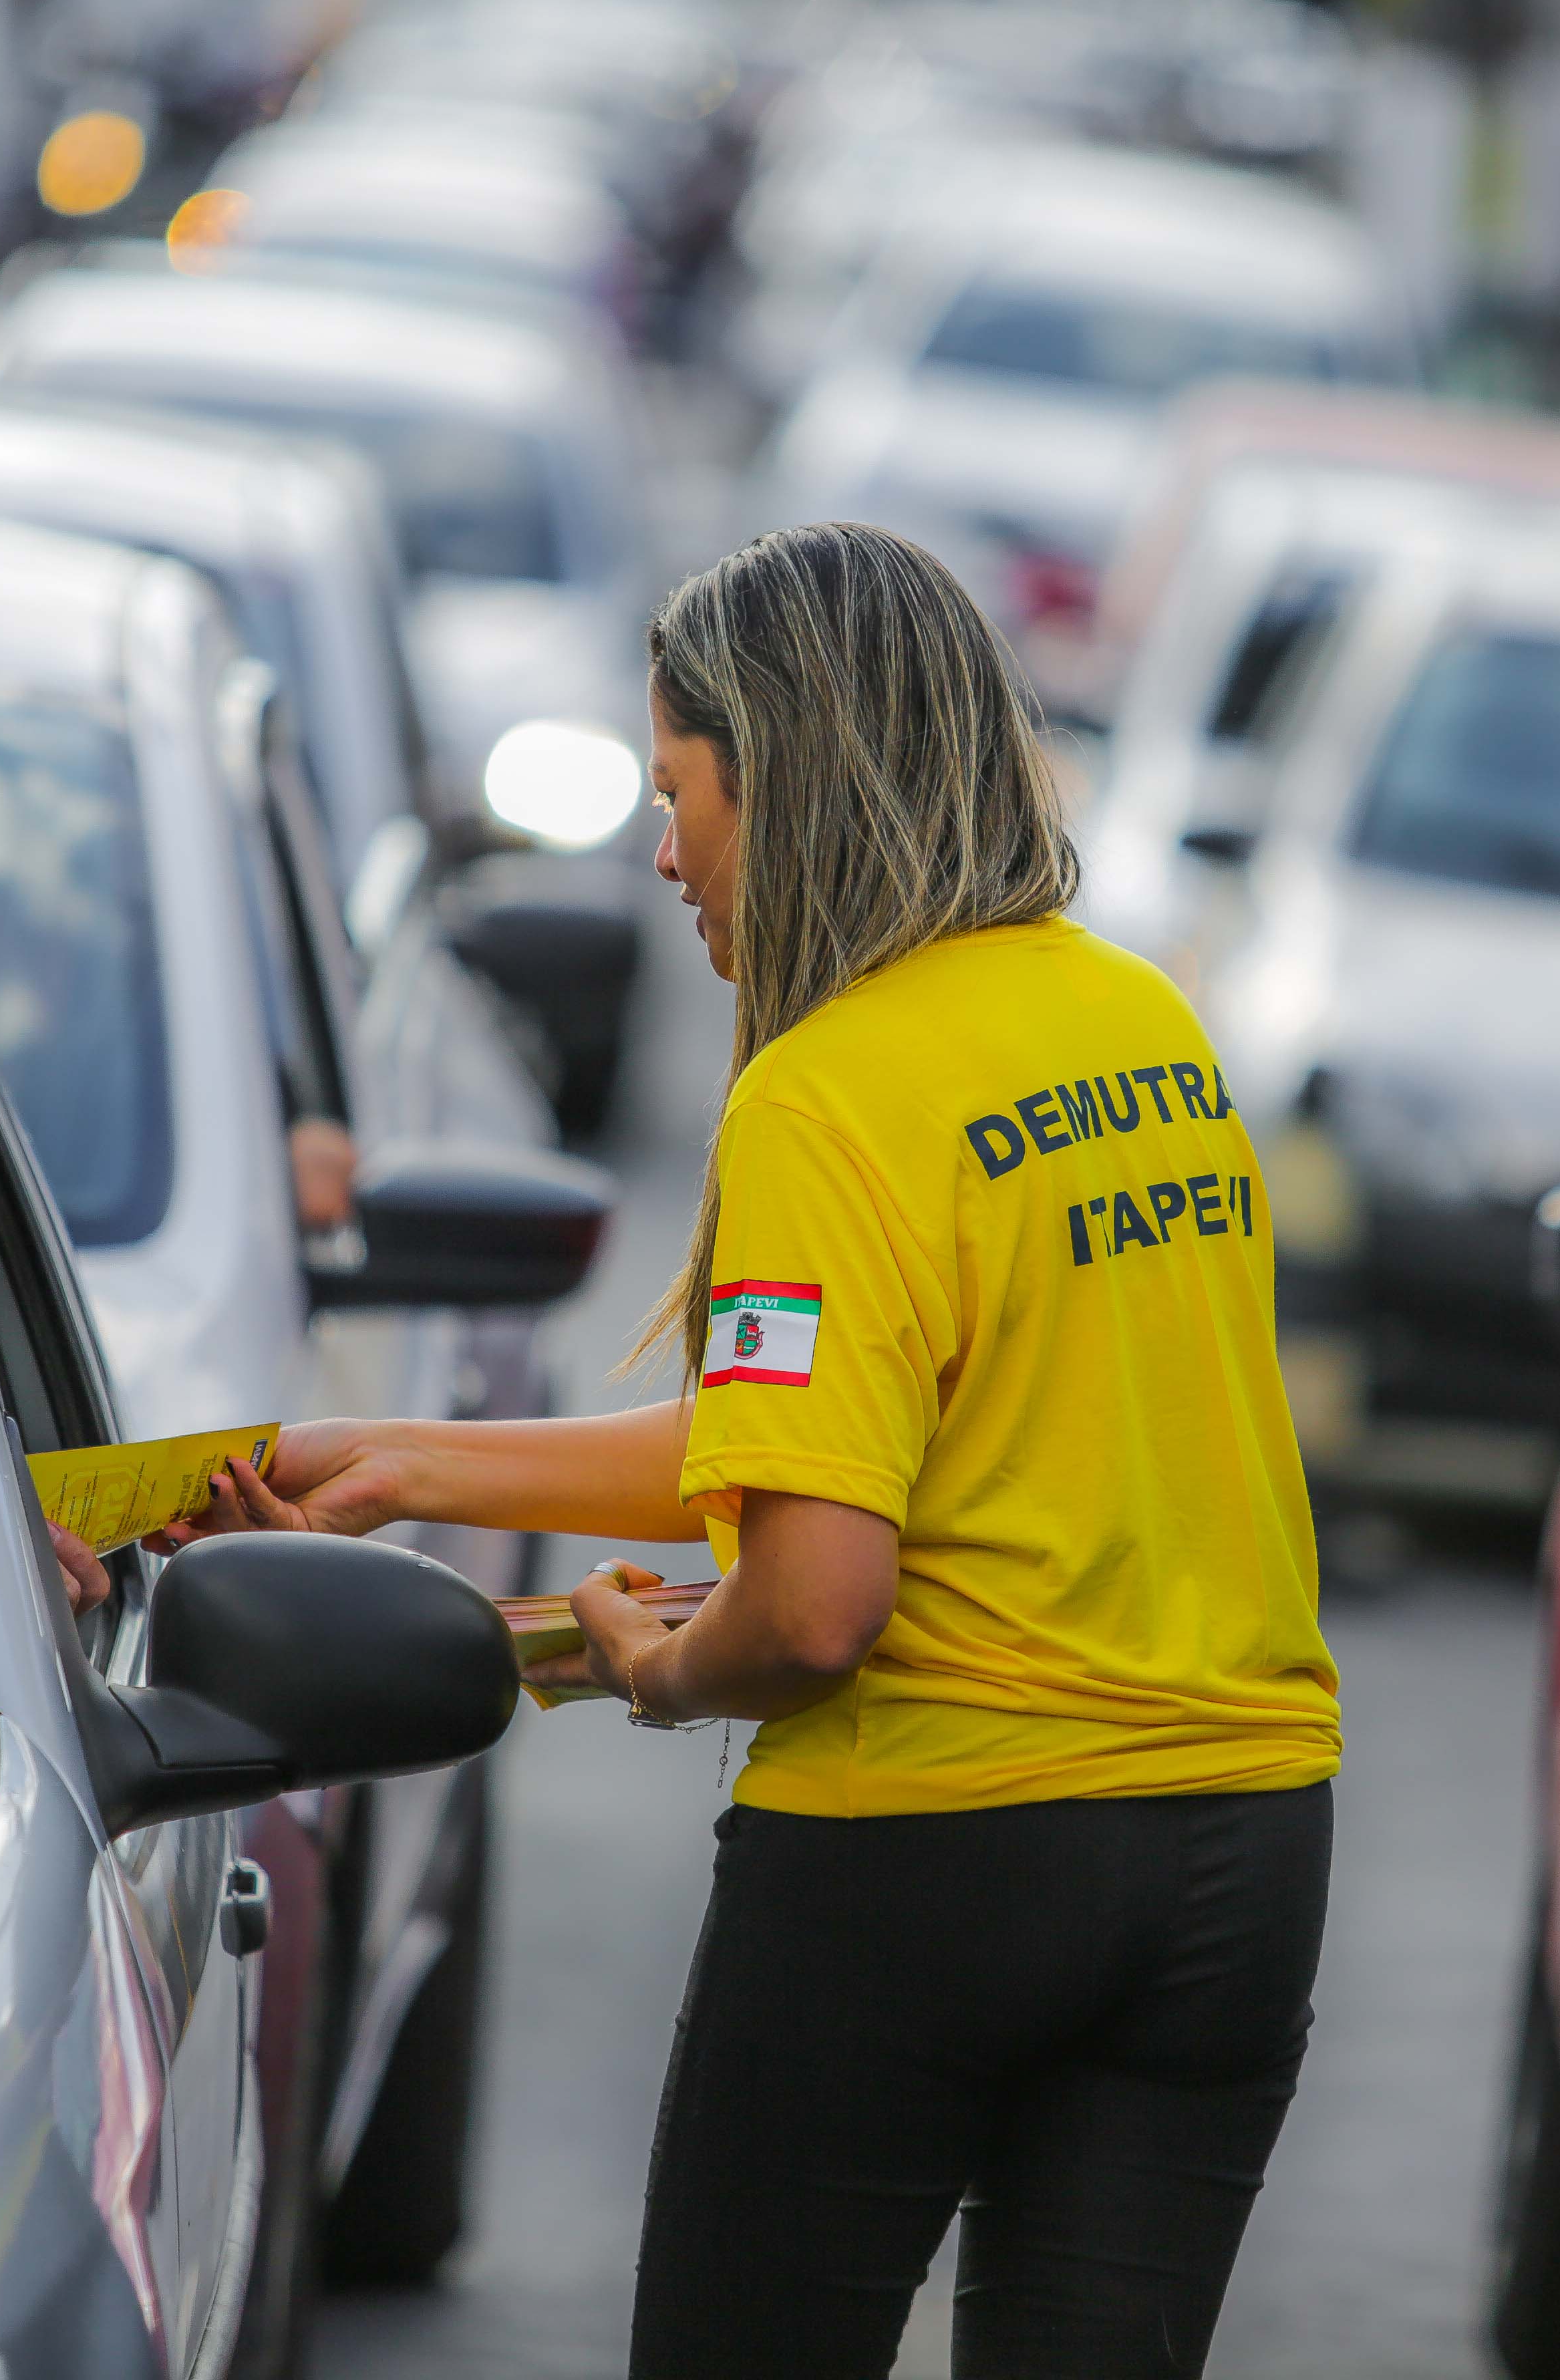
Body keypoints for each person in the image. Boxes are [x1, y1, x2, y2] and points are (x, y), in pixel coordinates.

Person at [210, 521, 1343, 2380]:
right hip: (1235, 1858)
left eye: (680, 792)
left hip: (928, 1866)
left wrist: (657, 1670)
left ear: (791, 778)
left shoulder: (828, 1091)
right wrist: (416, 1465)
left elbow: (816, 1600)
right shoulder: (1143, 1028)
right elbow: (840, 1440)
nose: (663, 854)